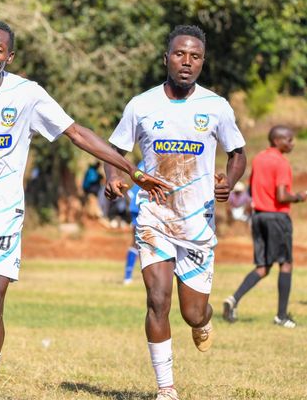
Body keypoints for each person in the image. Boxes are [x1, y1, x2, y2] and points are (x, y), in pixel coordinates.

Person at [0, 20, 168, 400]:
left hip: (3, 218)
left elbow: (75, 133)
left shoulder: (28, 95)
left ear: (9, 56)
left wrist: (130, 168)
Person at [104, 25, 246, 400]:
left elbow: (238, 154)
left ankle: (204, 320)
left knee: (192, 313)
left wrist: (228, 182)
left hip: (197, 222)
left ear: (202, 61)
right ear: (166, 58)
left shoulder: (216, 106)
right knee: (157, 299)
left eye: (195, 56)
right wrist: (115, 176)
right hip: (154, 217)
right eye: (180, 54)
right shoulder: (142, 105)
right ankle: (166, 388)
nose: (187, 62)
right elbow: (115, 151)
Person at [223, 125, 305, 328]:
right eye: (288, 139)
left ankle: (233, 300)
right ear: (277, 141)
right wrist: (299, 197)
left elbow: (252, 188)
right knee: (285, 264)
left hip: (258, 217)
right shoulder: (281, 163)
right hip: (277, 218)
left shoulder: (259, 159)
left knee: (263, 267)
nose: (292, 143)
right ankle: (281, 316)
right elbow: (281, 196)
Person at [123, 161, 146, 285]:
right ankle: (127, 276)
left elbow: (129, 193)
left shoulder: (141, 164)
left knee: (136, 242)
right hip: (143, 207)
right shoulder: (152, 163)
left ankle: (128, 276)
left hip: (135, 206)